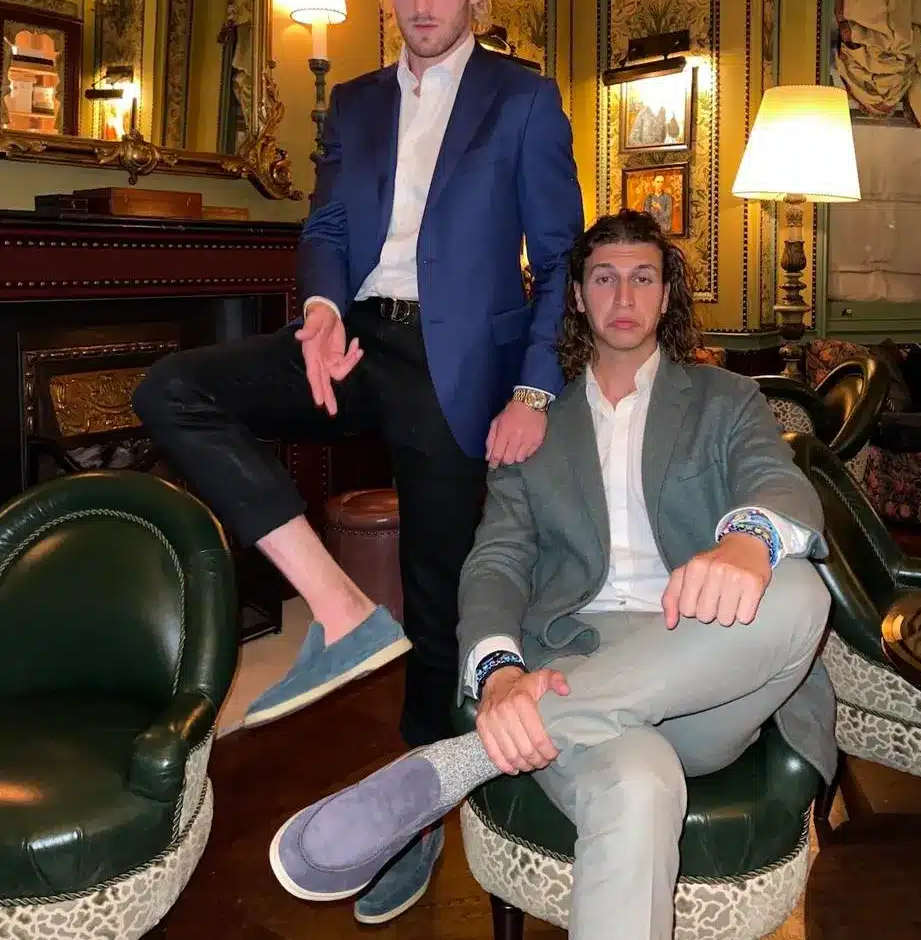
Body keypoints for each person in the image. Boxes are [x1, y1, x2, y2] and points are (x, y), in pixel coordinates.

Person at [134, 0, 583, 922]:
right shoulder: (358, 104)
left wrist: (530, 388)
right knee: (175, 387)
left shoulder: (522, 100)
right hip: (355, 339)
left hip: (453, 360)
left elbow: (559, 258)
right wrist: (324, 310)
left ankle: (412, 825)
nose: (420, 4)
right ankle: (335, 607)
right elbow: (329, 223)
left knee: (438, 601)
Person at [266, 209, 836, 940]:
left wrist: (747, 542)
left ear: (666, 297)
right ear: (576, 297)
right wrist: (500, 671)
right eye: (603, 279)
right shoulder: (531, 430)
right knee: (635, 788)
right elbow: (495, 563)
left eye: (642, 278)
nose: (623, 299)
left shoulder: (725, 401)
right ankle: (508, 734)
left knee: (796, 587)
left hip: (709, 670)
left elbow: (781, 486)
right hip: (573, 665)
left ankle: (457, 763)